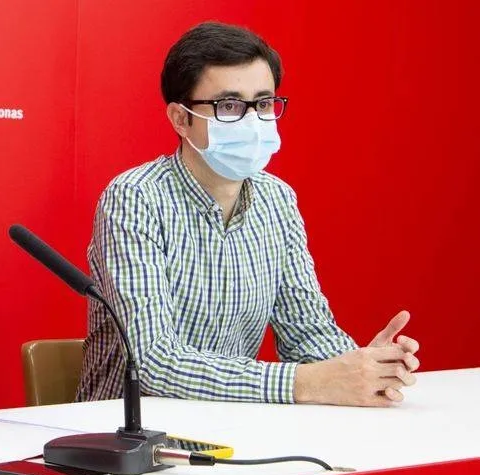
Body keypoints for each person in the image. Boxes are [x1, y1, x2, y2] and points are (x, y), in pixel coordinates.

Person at [77, 22, 420, 407]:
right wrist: (304, 382)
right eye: (228, 106)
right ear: (180, 118)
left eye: (262, 103)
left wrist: (361, 366)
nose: (253, 121)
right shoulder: (135, 198)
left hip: (239, 424)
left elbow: (306, 330)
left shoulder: (277, 200)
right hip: (128, 434)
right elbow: (155, 361)